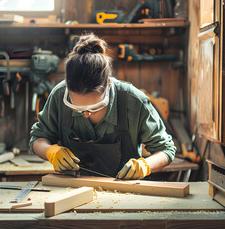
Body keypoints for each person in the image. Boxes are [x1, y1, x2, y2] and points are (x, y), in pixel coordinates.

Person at [30, 33, 176, 180]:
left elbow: (166, 150)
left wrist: (145, 166)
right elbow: (37, 139)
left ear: (109, 85)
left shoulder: (133, 100)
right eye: (78, 109)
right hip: (71, 191)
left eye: (95, 107)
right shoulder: (59, 95)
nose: (86, 114)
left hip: (124, 193)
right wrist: (51, 151)